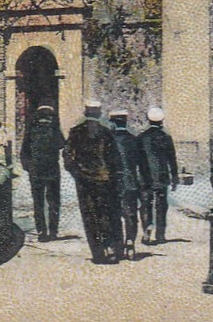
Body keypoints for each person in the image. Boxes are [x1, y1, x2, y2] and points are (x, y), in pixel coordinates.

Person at [63, 100, 121, 263]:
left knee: (89, 215)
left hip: (83, 180)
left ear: (85, 113)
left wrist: (76, 172)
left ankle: (97, 252)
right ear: (99, 113)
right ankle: (109, 246)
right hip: (104, 179)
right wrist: (113, 176)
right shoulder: (106, 132)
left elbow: (67, 156)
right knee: (105, 213)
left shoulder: (75, 132)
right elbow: (114, 158)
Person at [19, 105, 64, 241]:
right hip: (52, 170)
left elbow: (24, 152)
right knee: (54, 202)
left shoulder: (31, 130)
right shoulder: (54, 129)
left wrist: (29, 167)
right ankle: (53, 231)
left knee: (38, 203)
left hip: (36, 170)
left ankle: (41, 232)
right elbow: (62, 144)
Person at [137, 106, 180, 245]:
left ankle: (147, 228)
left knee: (145, 203)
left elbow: (136, 158)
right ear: (161, 121)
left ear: (148, 120)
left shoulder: (141, 137)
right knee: (161, 205)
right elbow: (172, 159)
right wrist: (175, 177)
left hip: (145, 176)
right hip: (161, 176)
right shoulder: (166, 137)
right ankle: (160, 234)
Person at [109, 108, 143, 259]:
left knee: (114, 215)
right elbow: (142, 165)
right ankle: (130, 243)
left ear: (113, 123)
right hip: (130, 181)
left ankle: (116, 246)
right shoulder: (135, 140)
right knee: (130, 214)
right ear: (125, 122)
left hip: (113, 182)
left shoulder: (109, 140)